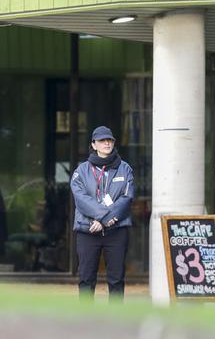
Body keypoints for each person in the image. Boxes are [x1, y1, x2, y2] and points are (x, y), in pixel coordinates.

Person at [70, 126, 134, 302]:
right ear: (93, 144)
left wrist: (104, 222)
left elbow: (126, 198)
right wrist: (104, 218)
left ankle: (115, 321)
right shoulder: (81, 171)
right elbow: (81, 199)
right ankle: (86, 319)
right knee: (86, 279)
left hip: (117, 231)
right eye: (102, 140)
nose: (107, 143)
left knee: (116, 279)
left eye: (110, 140)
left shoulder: (125, 169)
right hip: (88, 231)